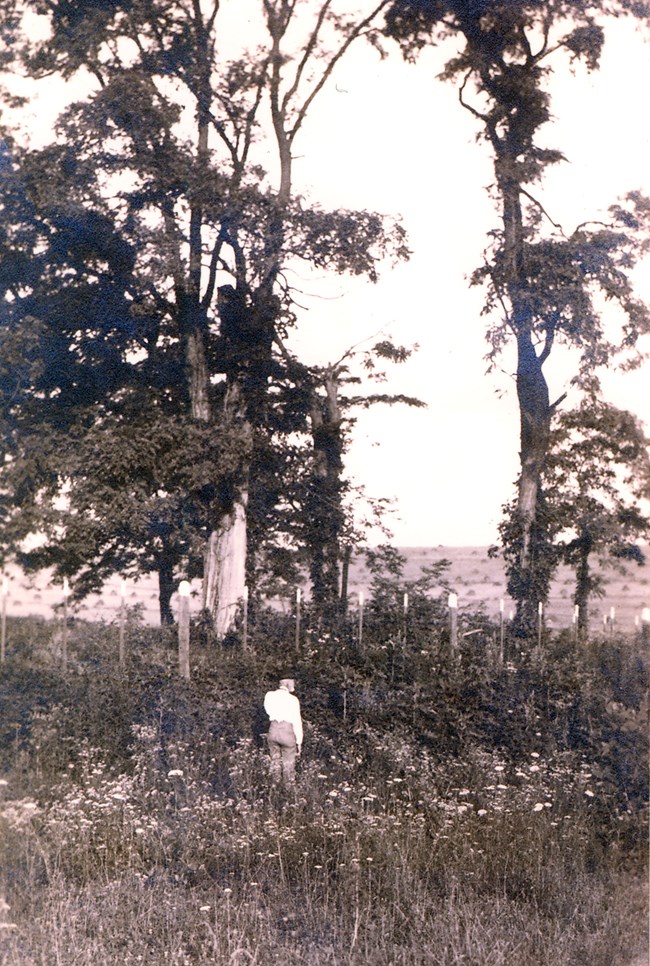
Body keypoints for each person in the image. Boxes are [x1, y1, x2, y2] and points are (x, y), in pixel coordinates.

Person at [263, 678, 303, 785]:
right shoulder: (293, 699)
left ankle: (275, 787)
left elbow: (267, 710)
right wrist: (299, 741)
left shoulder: (270, 695)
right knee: (288, 764)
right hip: (287, 730)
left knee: (275, 762)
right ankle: (288, 790)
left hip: (273, 728)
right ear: (287, 683)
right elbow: (297, 721)